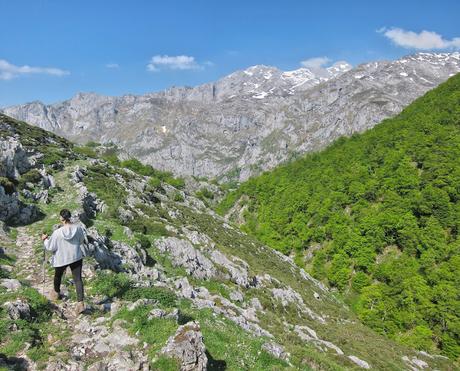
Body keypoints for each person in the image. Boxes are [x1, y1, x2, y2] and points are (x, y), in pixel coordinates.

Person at [41, 209, 86, 315]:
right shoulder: (78, 228)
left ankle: (56, 293)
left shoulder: (57, 232)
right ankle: (80, 303)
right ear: (69, 217)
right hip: (76, 256)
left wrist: (45, 239)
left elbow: (50, 247)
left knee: (58, 275)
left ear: (62, 218)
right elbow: (81, 241)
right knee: (78, 279)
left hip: (62, 258)